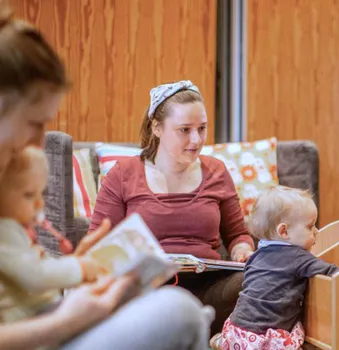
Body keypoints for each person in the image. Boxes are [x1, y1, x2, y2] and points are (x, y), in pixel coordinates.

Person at [0, 3, 211, 349]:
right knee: (179, 312)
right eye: (33, 123)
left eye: (201, 129)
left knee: (175, 309)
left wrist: (76, 279)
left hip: (49, 321)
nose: (38, 141)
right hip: (43, 333)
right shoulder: (126, 173)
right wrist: (65, 320)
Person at [89, 79, 256, 335]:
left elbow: (237, 235)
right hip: (145, 290)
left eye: (202, 128)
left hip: (210, 290)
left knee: (262, 276)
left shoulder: (217, 172)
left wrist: (242, 250)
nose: (196, 139)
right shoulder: (123, 174)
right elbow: (97, 243)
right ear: (157, 127)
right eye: (184, 130)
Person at [211, 186, 339, 350]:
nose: (317, 232)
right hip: (265, 339)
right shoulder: (298, 257)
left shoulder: (257, 256)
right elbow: (333, 272)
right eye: (310, 226)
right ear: (284, 231)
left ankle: (222, 342)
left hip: (237, 330)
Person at [0, 146, 108, 322]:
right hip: (27, 322)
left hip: (40, 312)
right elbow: (35, 275)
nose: (38, 203)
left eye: (41, 193)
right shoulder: (4, 232)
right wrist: (79, 268)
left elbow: (40, 264)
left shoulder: (18, 227)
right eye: (28, 195)